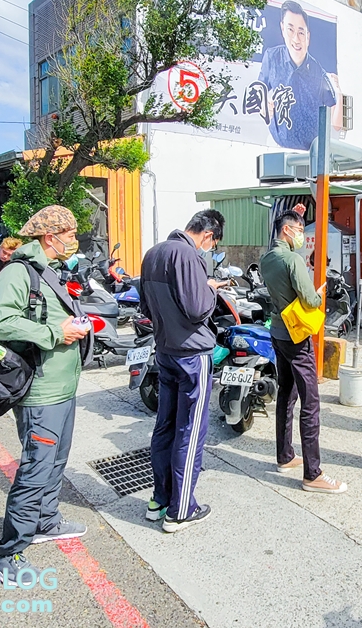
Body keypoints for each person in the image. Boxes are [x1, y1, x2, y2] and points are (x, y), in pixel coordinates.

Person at [0, 206, 90, 584]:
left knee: (56, 460)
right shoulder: (18, 272)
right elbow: (1, 321)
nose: (73, 240)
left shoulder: (47, 271)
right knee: (36, 468)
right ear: (51, 237)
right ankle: (5, 553)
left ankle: (46, 520)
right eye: (70, 233)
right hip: (41, 389)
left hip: (62, 386)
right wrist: (55, 333)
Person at [140, 209, 229, 532]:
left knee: (165, 427)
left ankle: (159, 499)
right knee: (190, 433)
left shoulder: (153, 252)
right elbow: (197, 309)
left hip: (164, 351)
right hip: (192, 354)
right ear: (208, 235)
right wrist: (211, 287)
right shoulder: (190, 257)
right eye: (212, 242)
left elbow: (146, 307)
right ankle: (181, 509)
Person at [259, 210, 347, 493]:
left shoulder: (267, 258)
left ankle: (285, 455)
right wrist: (320, 293)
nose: (301, 235)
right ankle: (313, 473)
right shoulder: (292, 259)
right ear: (286, 230)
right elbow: (309, 299)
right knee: (311, 400)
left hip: (278, 330)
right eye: (298, 229)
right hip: (297, 335)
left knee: (287, 392)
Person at [258, 0, 337, 151]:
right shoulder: (271, 57)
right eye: (290, 30)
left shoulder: (319, 73)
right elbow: (260, 90)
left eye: (301, 32)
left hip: (310, 153)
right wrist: (264, 104)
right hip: (276, 146)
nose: (296, 39)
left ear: (308, 36)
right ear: (282, 29)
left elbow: (332, 109)